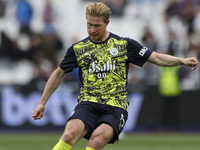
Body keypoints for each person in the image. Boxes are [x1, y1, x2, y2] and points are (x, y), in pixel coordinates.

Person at [32, 2, 199, 150]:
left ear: (107, 23)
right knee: (68, 135)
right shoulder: (78, 49)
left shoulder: (124, 45)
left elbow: (155, 57)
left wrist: (182, 60)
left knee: (96, 141)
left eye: (97, 26)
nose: (92, 30)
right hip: (88, 103)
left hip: (116, 106)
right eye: (89, 25)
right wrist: (42, 103)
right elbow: (59, 73)